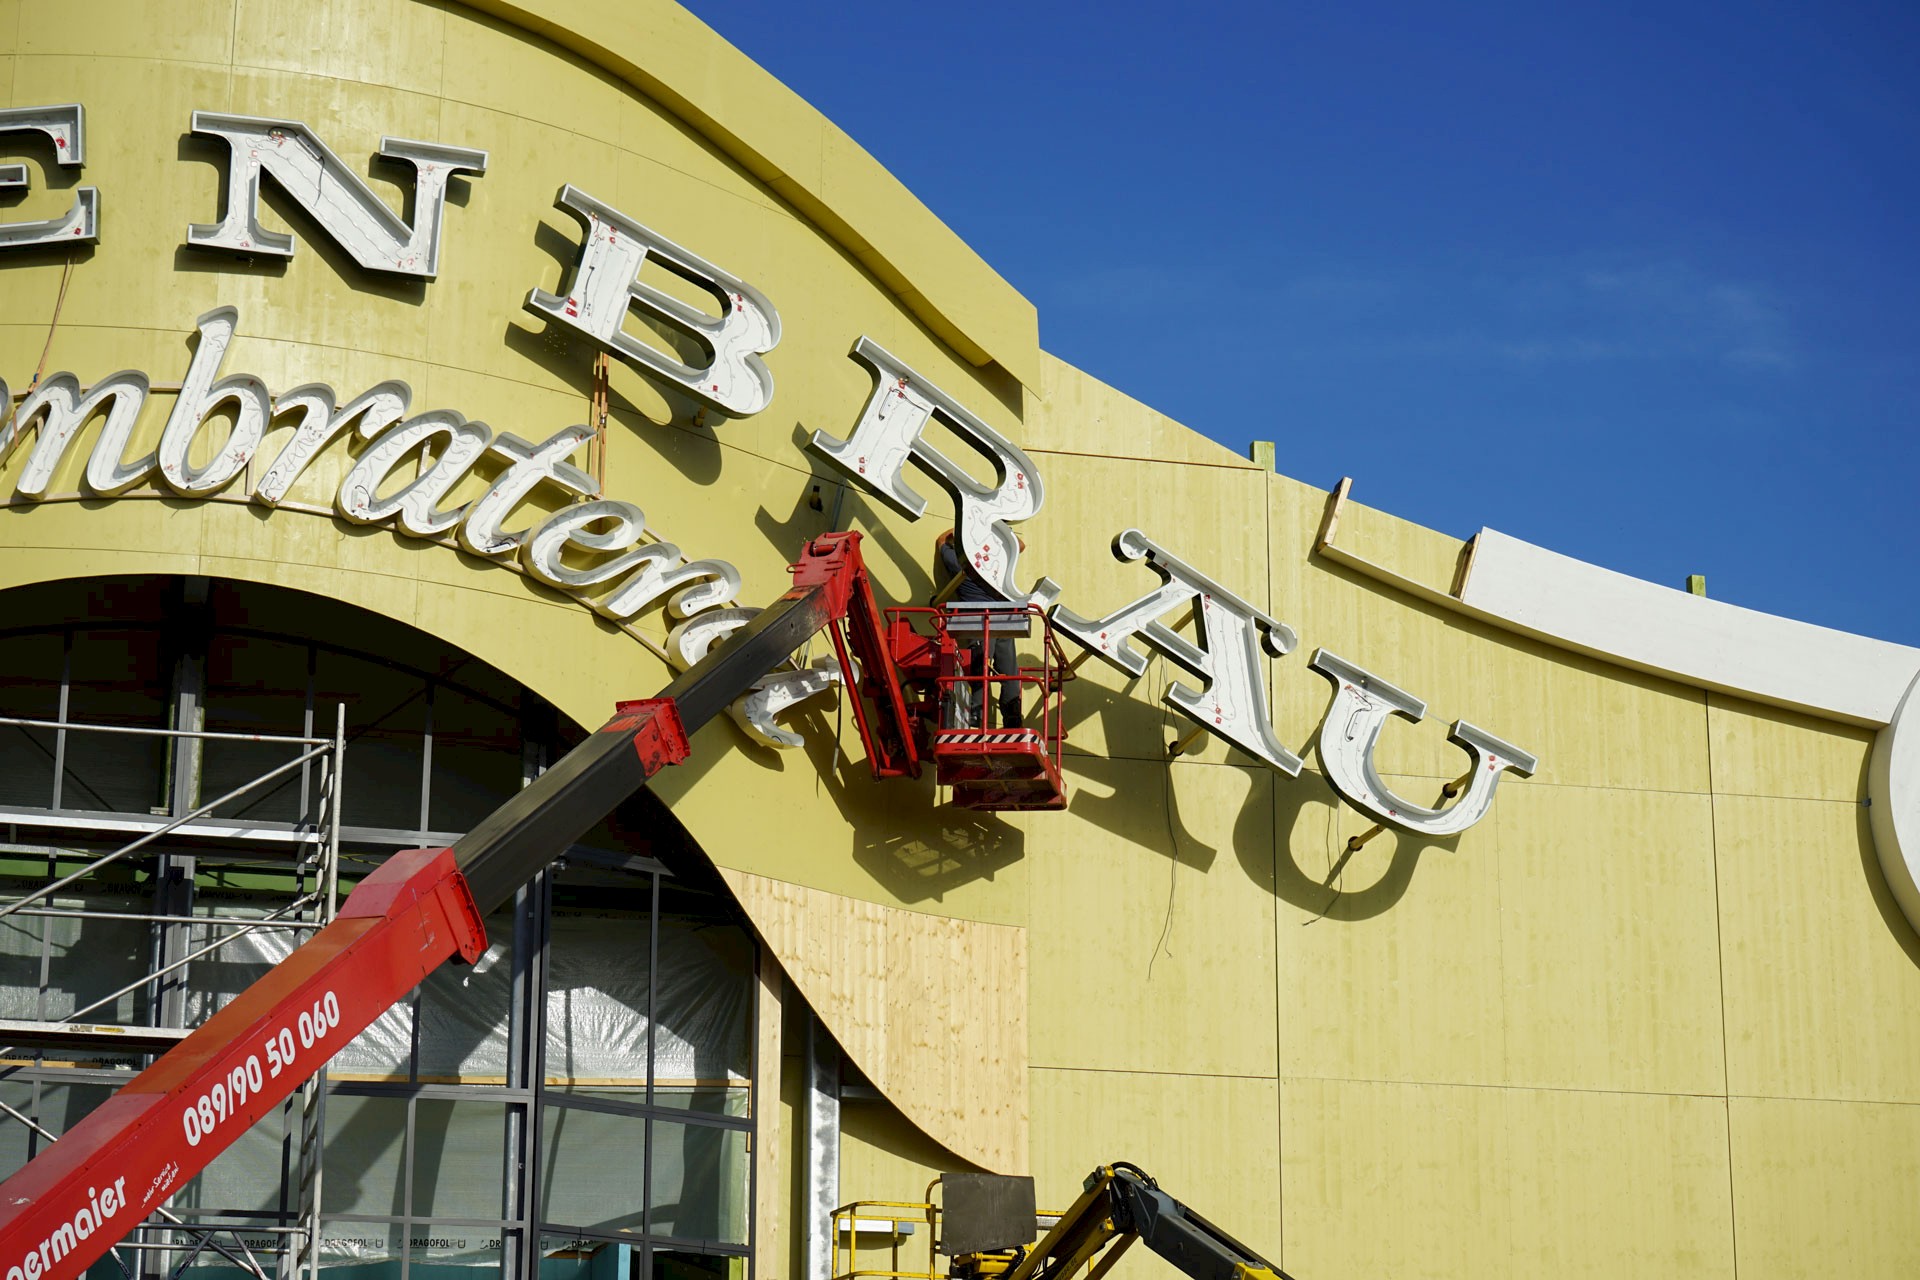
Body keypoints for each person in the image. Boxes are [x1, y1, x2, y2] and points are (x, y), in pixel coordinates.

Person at [933, 528, 1024, 730]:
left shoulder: (960, 564)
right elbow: (1019, 545)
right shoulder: (996, 563)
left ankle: (976, 713)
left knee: (981, 665)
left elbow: (941, 540)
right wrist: (991, 526)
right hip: (1004, 619)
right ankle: (1012, 717)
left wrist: (964, 525)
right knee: (1009, 670)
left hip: (980, 620)